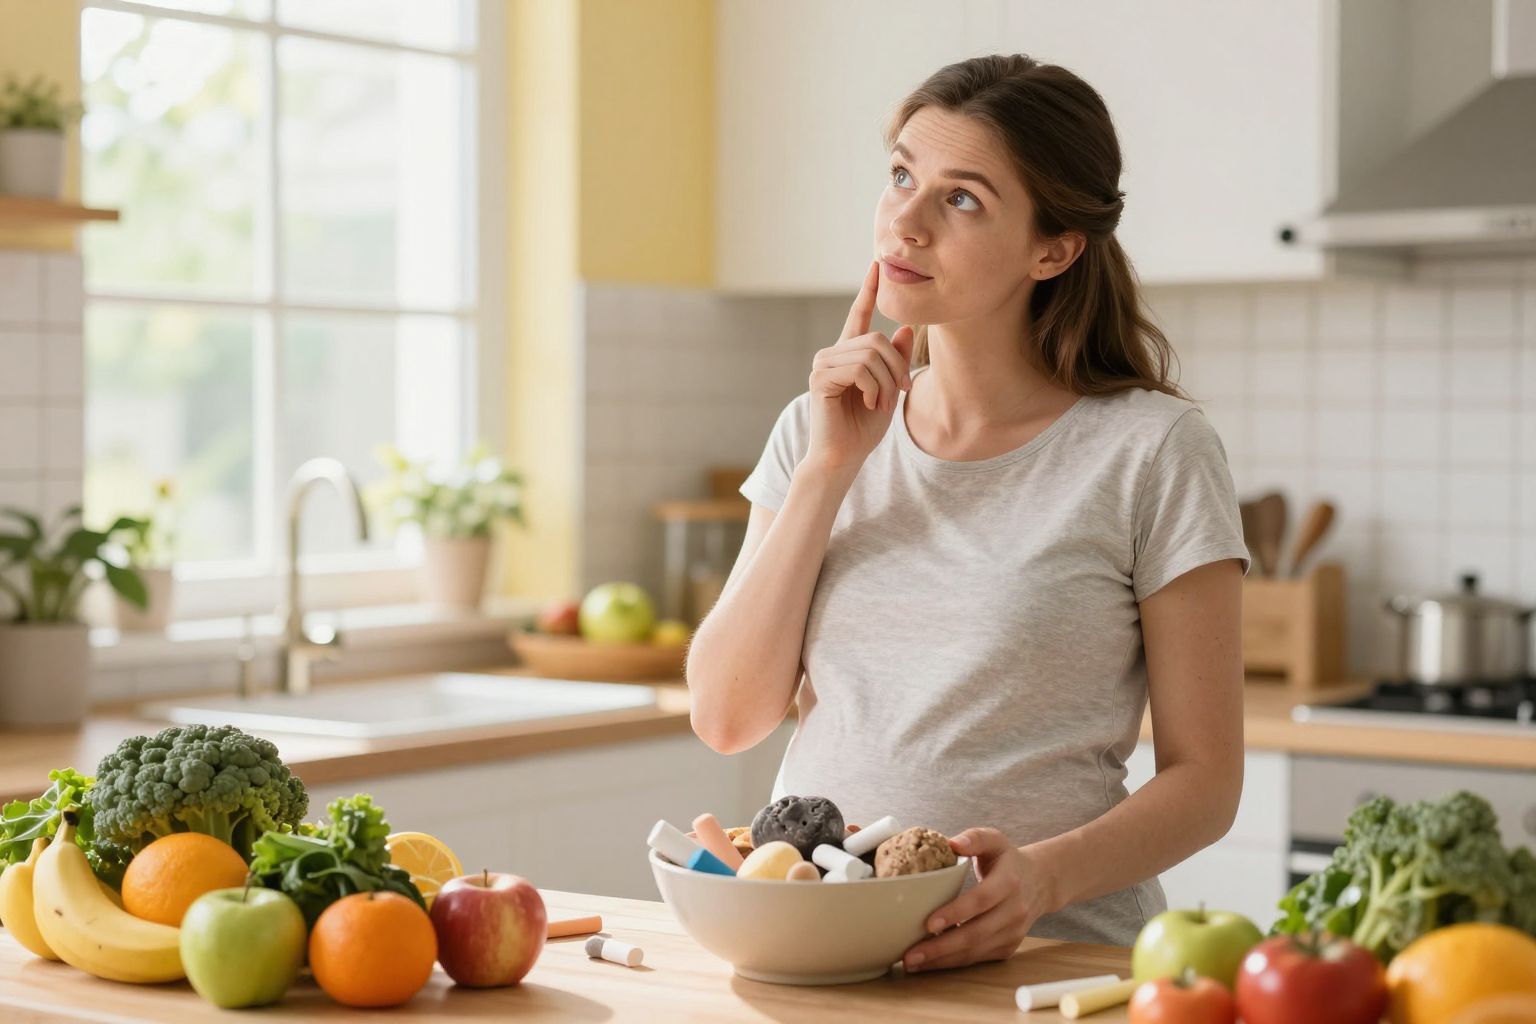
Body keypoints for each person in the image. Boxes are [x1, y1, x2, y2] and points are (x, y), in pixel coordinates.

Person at [685, 53, 1249, 968]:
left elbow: (1207, 782)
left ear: (1053, 250)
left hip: (1049, 965)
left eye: (962, 199)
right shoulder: (816, 430)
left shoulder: (1152, 451)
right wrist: (829, 469)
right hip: (825, 951)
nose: (904, 222)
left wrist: (1042, 880)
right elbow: (726, 717)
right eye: (901, 176)